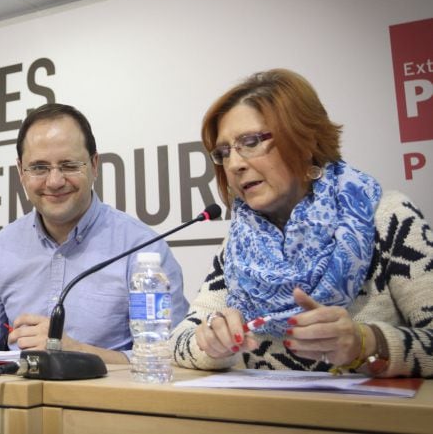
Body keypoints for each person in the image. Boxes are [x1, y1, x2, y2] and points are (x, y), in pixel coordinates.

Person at [171, 69, 433, 377]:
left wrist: (366, 343)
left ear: (305, 141)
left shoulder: (386, 217)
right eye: (224, 152)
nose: (235, 164)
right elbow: (179, 342)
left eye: (251, 142)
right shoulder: (241, 243)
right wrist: (213, 345)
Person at [0, 103, 189, 363]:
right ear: (21, 172)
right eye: (39, 168)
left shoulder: (143, 248)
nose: (54, 181)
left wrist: (77, 352)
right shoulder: (4, 246)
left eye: (69, 165)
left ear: (94, 165)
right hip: (17, 400)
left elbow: (172, 357)